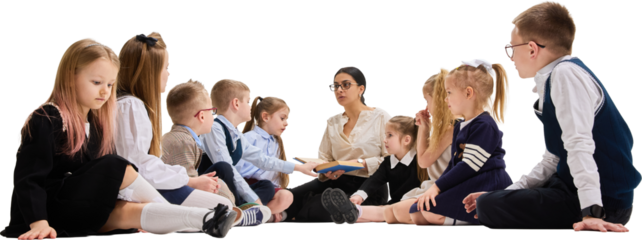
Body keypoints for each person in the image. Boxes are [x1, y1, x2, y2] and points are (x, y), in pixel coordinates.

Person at [1, 36, 235, 240]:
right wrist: (38, 222)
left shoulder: (96, 124)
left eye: (110, 84)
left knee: (127, 212)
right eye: (96, 83)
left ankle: (205, 221)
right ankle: (198, 217)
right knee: (116, 165)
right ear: (71, 77)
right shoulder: (49, 117)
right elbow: (28, 178)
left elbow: (90, 180)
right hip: (46, 211)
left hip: (74, 207)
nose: (105, 91)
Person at [464, 1, 640, 234]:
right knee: (492, 200)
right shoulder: (556, 79)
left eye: (512, 49)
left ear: (532, 49)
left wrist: (592, 213)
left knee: (488, 206)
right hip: (572, 187)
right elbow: (554, 157)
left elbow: (579, 145)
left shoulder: (565, 76)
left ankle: (591, 212)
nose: (511, 58)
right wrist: (507, 193)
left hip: (602, 200)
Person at [114, 30, 265, 228]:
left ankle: (223, 217)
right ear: (150, 73)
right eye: (166, 68)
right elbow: (138, 166)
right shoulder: (131, 106)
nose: (169, 73)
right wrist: (188, 181)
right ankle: (229, 219)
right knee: (222, 204)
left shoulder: (133, 106)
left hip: (145, 185)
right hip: (136, 189)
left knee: (221, 201)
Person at [199, 77, 318, 226]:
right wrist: (254, 199)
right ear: (236, 103)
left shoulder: (236, 135)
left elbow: (263, 159)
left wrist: (298, 168)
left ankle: (243, 213)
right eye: (248, 102)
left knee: (266, 186)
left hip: (233, 190)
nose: (251, 106)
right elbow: (227, 168)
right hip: (216, 186)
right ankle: (248, 212)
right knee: (225, 167)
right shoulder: (215, 129)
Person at [283, 64, 392, 225]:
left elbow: (392, 161)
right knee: (287, 198)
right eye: (335, 86)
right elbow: (324, 156)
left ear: (361, 89)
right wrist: (325, 170)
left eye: (346, 85)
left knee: (319, 209)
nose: (339, 90)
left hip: (368, 185)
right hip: (334, 180)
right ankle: (295, 209)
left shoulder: (381, 116)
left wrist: (361, 164)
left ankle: (311, 205)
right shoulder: (332, 120)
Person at [410, 57, 512, 226]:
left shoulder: (485, 125)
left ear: (468, 93)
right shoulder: (460, 126)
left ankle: (475, 219)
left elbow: (469, 166)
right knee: (417, 213)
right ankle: (456, 217)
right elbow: (454, 164)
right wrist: (436, 189)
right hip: (469, 179)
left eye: (449, 93)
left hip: (486, 182)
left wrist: (437, 188)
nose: (445, 99)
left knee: (428, 214)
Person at [322, 115, 423, 224]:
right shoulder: (388, 162)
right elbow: (375, 180)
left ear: (406, 140)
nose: (384, 140)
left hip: (414, 205)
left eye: (389, 135)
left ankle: (350, 212)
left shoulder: (420, 162)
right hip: (394, 204)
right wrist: (359, 195)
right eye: (385, 135)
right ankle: (348, 212)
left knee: (382, 212)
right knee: (379, 210)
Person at [385, 65, 454, 225]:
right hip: (435, 185)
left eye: (427, 101)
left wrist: (423, 127)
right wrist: (425, 127)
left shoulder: (451, 129)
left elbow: (423, 161)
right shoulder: (442, 129)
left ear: (438, 100)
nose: (426, 106)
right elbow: (424, 158)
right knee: (392, 212)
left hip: (445, 187)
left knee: (399, 212)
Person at [237, 94, 296, 223]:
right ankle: (264, 216)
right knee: (270, 189)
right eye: (282, 118)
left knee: (287, 196)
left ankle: (257, 216)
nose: (286, 123)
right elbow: (237, 170)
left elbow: (273, 176)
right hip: (250, 187)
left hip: (268, 190)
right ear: (265, 117)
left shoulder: (276, 143)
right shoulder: (249, 138)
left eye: (287, 119)